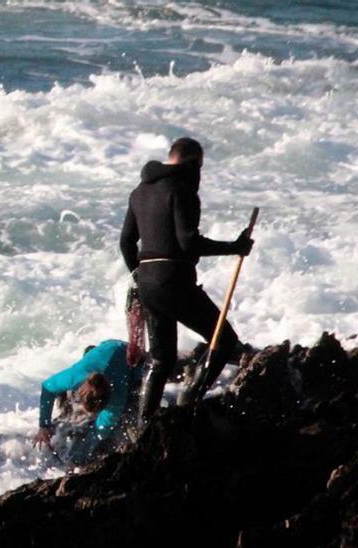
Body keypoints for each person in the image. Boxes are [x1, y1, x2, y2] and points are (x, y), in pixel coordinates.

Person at [119, 137, 253, 424]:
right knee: (225, 340)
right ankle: (191, 397)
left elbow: (126, 243)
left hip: (148, 284)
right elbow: (188, 243)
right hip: (174, 281)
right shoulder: (182, 190)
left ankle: (147, 424)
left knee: (161, 361)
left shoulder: (139, 192)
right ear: (193, 163)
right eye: (200, 167)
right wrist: (235, 247)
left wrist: (138, 275)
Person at [32, 340, 143, 466]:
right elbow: (47, 388)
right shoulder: (74, 377)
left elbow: (99, 431)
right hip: (106, 347)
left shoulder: (117, 398)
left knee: (129, 405)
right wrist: (43, 425)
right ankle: (89, 353)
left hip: (130, 353)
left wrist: (78, 458)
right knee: (87, 360)